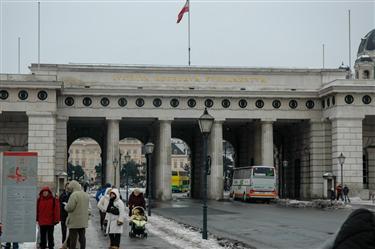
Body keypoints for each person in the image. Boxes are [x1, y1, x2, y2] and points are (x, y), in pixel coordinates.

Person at [65, 180, 89, 249]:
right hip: (83, 220)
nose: (69, 190)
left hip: (74, 221)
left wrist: (65, 206)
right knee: (82, 237)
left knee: (73, 239)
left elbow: (70, 207)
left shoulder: (74, 195)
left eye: (70, 188)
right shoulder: (85, 194)